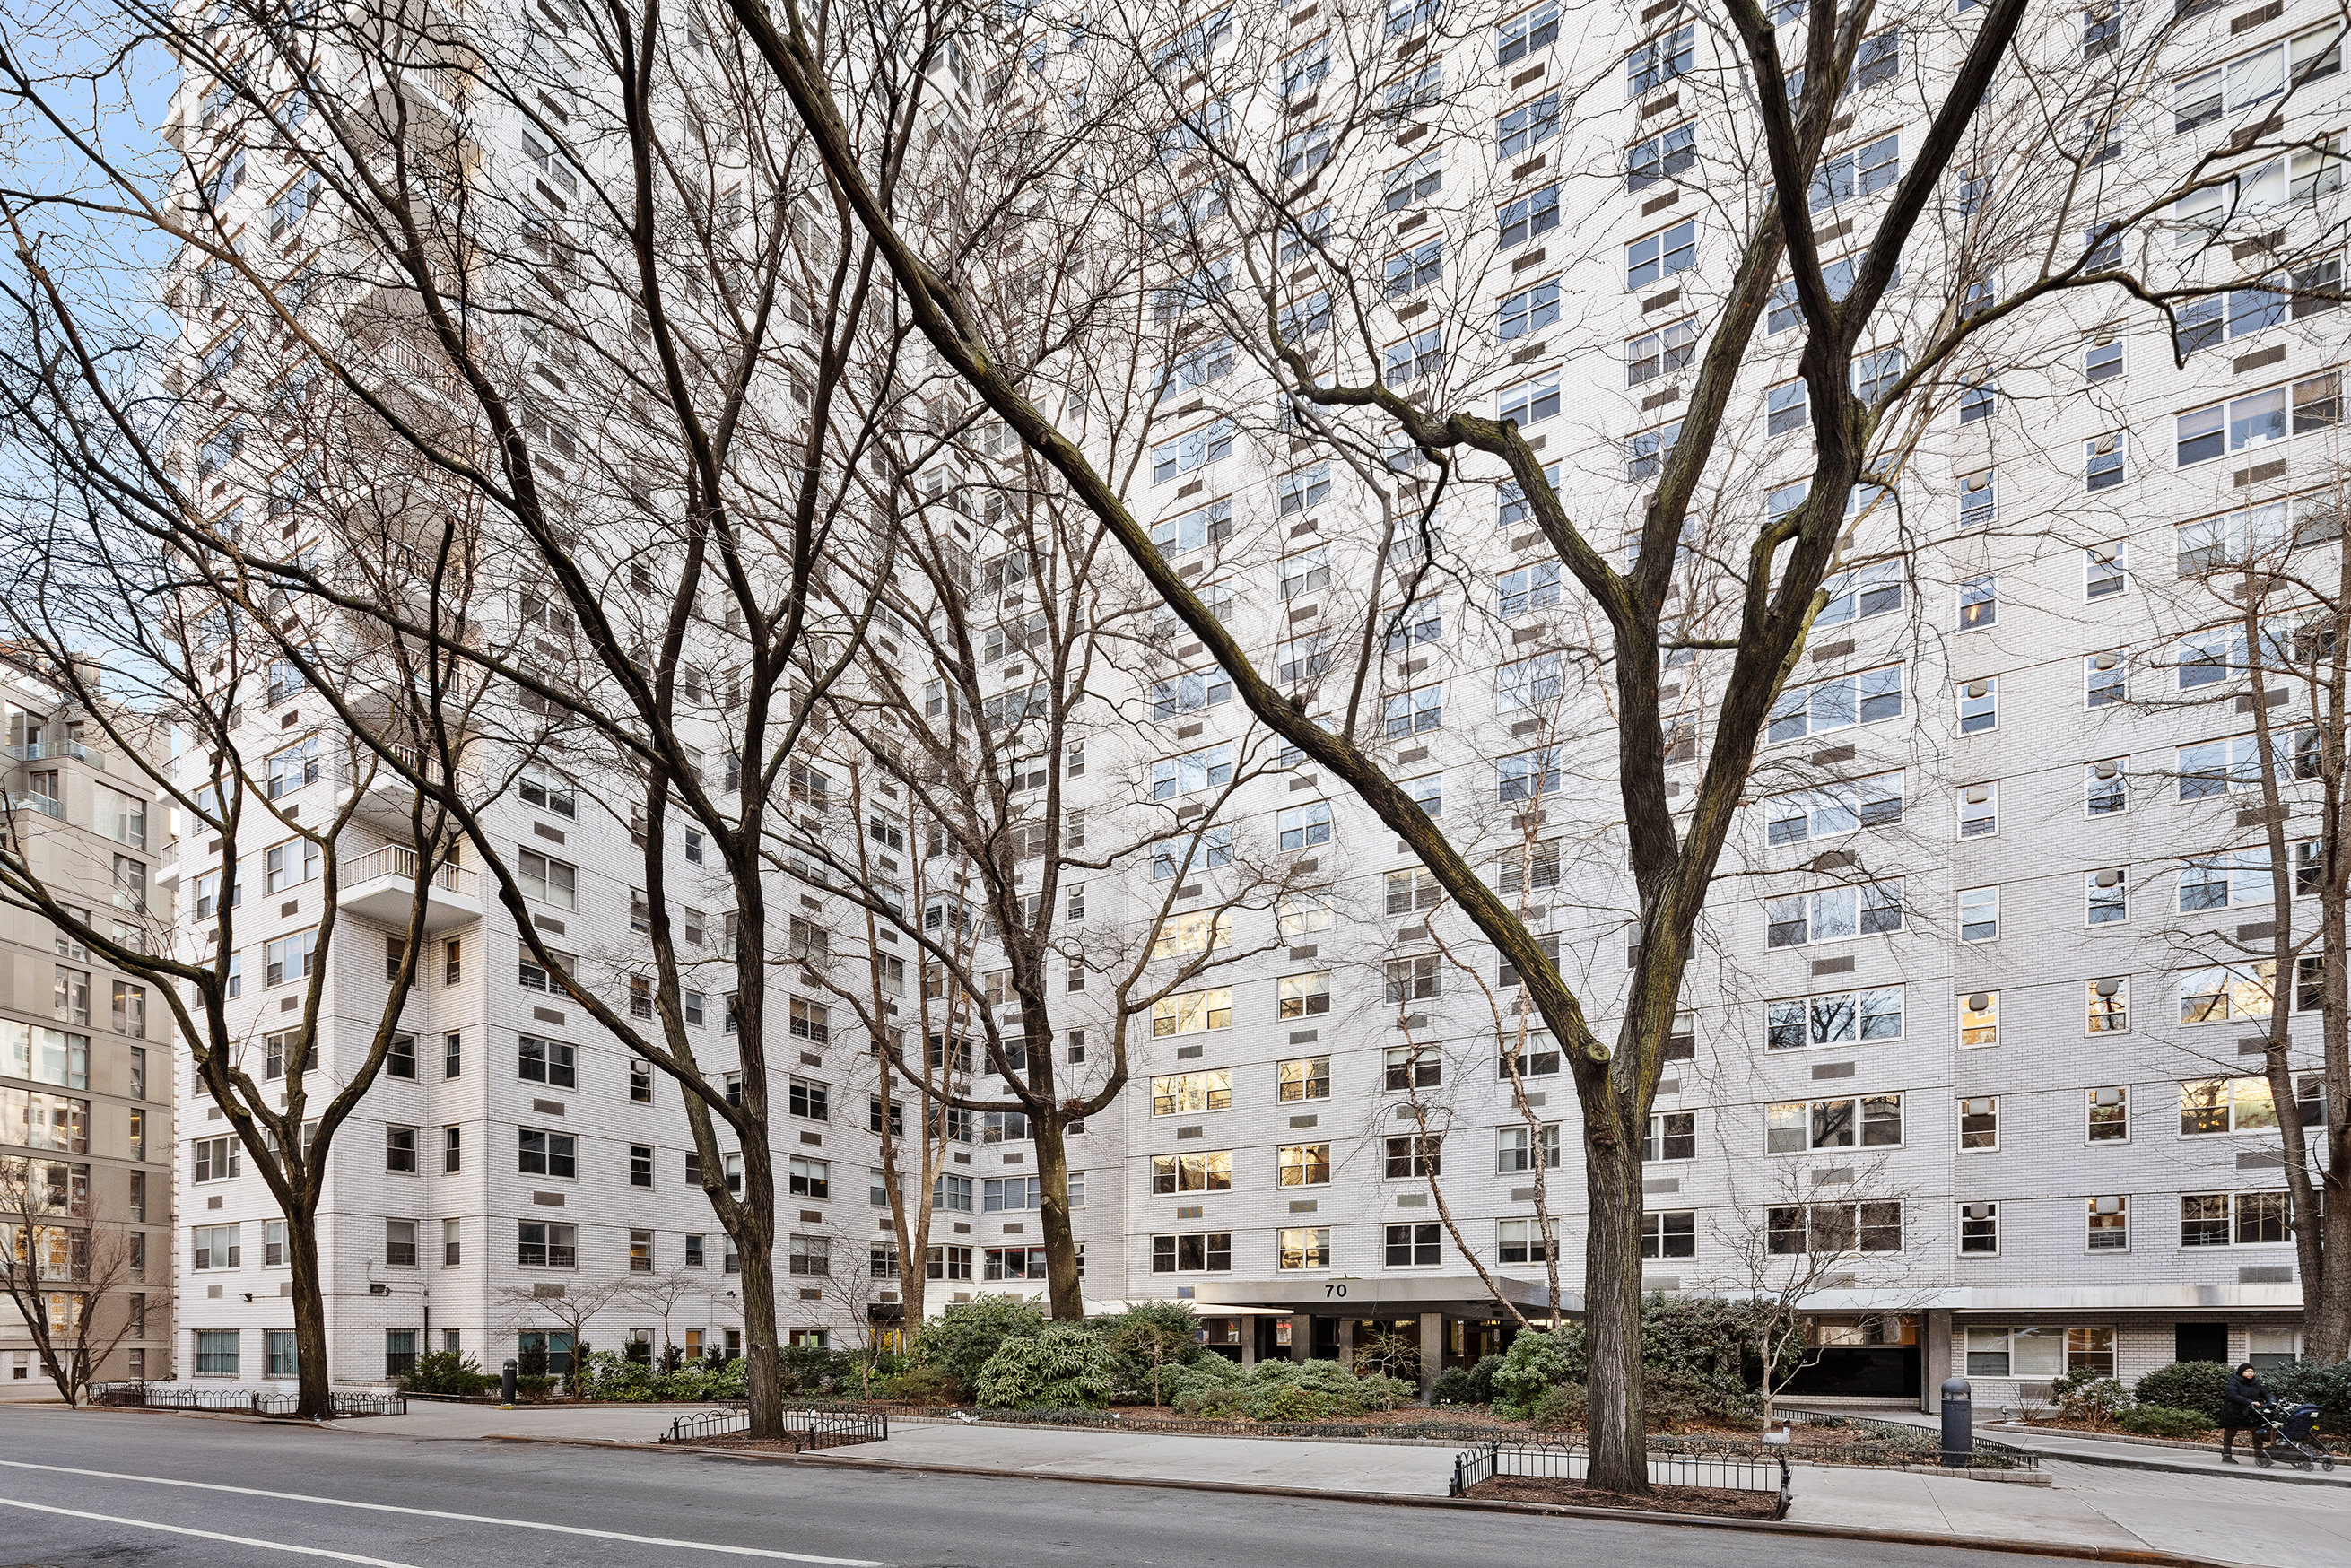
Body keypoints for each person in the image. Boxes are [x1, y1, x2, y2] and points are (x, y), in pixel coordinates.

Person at [2218, 1362, 2272, 1463]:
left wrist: (2272, 1401)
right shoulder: (2234, 1382)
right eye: (2247, 1371)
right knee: (2230, 1433)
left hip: (2249, 1413)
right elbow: (2233, 1395)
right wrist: (2250, 1402)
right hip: (2233, 1412)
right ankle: (2227, 1455)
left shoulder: (2255, 1384)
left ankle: (2259, 1455)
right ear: (2241, 1372)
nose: (2250, 1373)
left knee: (2257, 1431)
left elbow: (2266, 1393)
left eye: (2252, 1371)